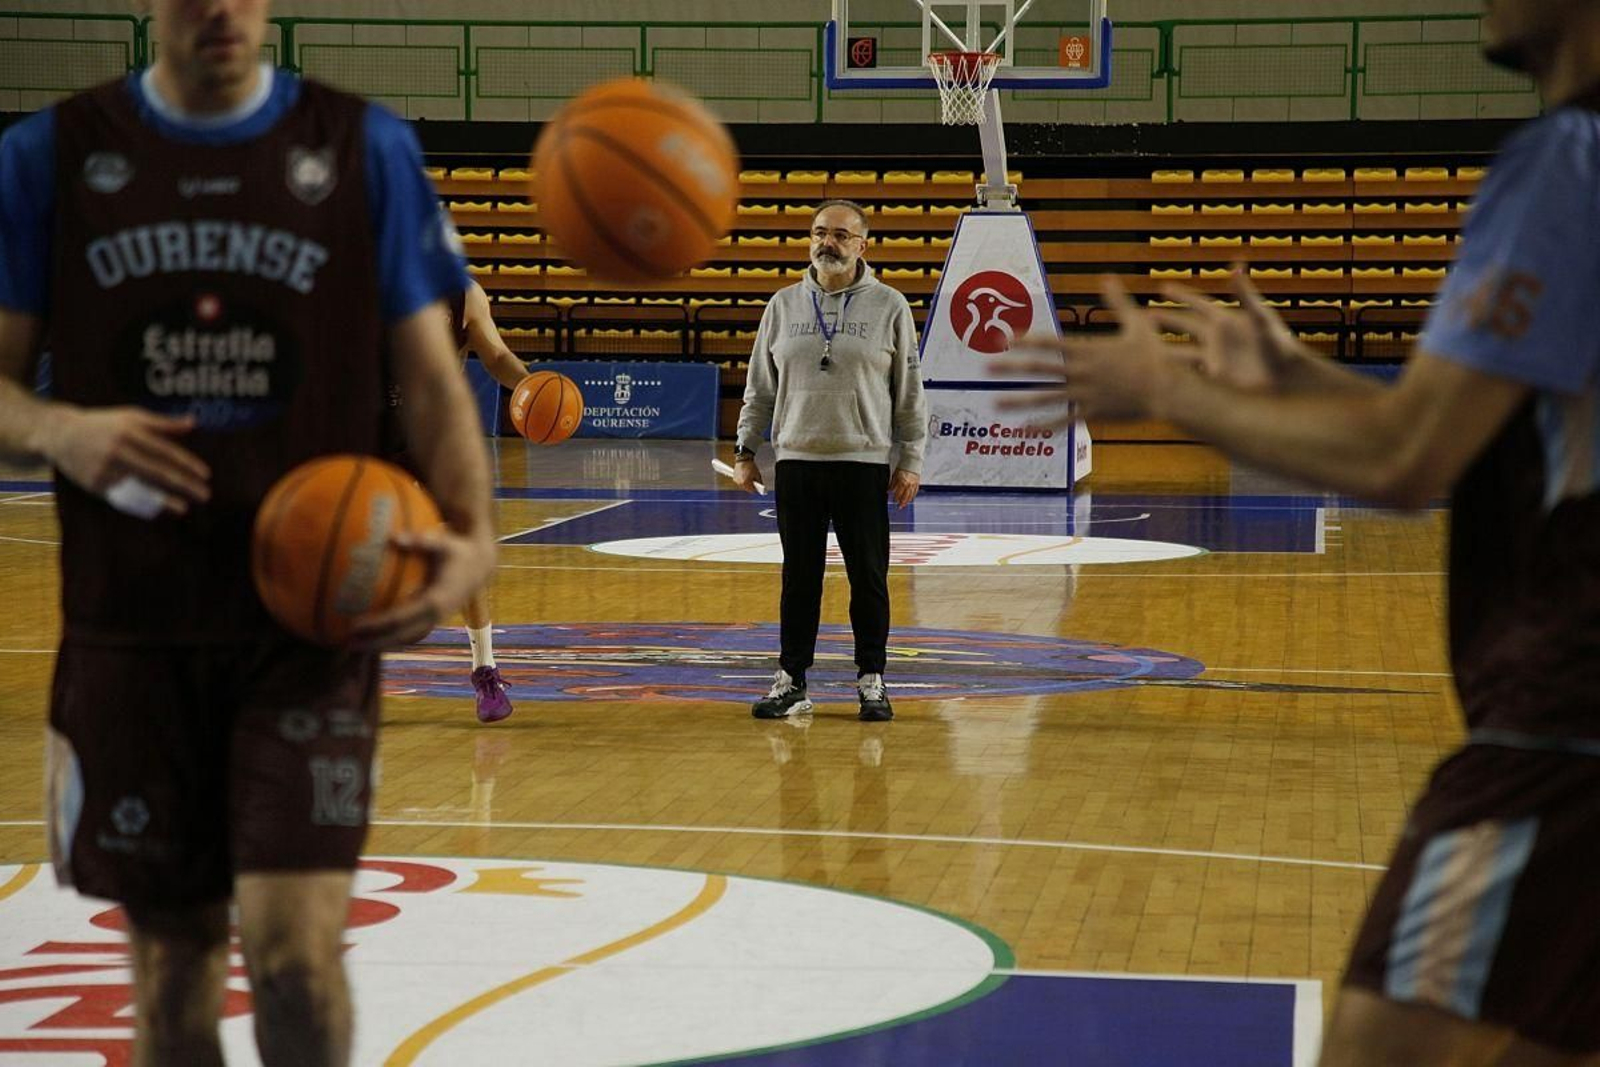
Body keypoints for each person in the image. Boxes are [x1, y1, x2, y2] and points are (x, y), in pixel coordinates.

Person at [999, 2, 1600, 1062]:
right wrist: (1297, 378)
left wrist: (1167, 392)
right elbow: (1481, 428)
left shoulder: (1567, 157)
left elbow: (1404, 461)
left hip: (1562, 724)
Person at [0, 1, 495, 1065]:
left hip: (305, 630)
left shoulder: (364, 147)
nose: (219, 7)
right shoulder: (50, 156)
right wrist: (59, 428)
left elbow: (428, 367)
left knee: (296, 959)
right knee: (174, 980)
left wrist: (475, 534)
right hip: (132, 633)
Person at [731, 199, 926, 722]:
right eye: (819, 232)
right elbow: (759, 388)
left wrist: (910, 460)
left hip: (863, 463)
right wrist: (745, 451)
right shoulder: (783, 305)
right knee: (800, 578)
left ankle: (872, 679)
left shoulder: (890, 306)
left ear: (863, 245)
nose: (828, 243)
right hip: (796, 461)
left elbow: (910, 393)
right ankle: (791, 680)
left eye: (841, 235)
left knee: (868, 577)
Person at [390, 277, 528, 723]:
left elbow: (498, 356)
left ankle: (485, 671)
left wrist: (529, 386)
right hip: (375, 424)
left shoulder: (463, 292)